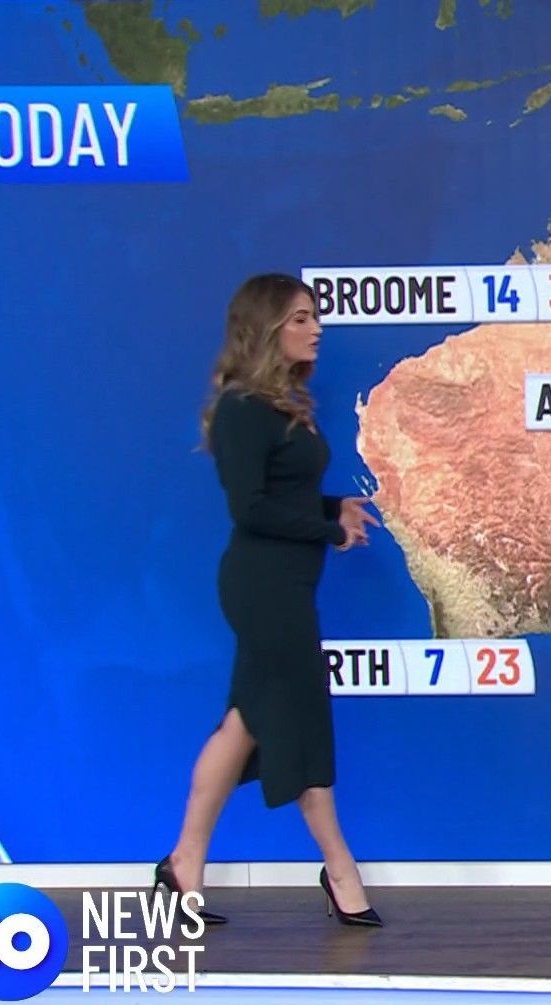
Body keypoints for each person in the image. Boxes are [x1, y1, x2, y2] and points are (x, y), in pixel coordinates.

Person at [154, 272, 385, 928]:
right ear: (265, 329)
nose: (317, 329)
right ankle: (340, 870)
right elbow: (251, 510)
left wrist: (332, 507)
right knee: (302, 725)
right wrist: (328, 530)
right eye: (301, 318)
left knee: (243, 724)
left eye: (315, 317)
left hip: (287, 585)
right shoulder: (241, 411)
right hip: (263, 589)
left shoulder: (282, 405)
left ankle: (183, 867)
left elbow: (286, 496)